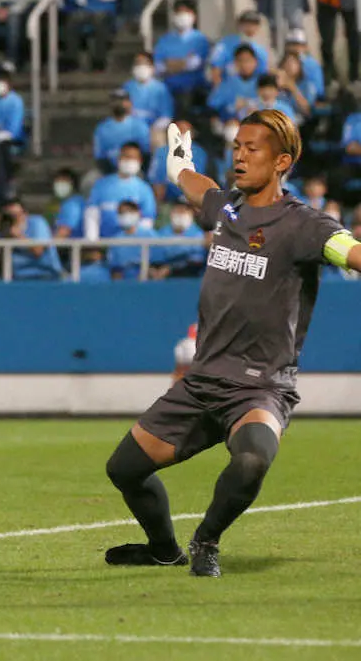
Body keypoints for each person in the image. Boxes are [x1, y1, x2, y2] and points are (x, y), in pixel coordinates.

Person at [104, 113, 361, 577]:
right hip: (201, 382)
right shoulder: (228, 209)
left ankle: (206, 540)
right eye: (237, 146)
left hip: (259, 387)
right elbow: (194, 185)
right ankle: (164, 550)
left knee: (252, 459)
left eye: (252, 148)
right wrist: (179, 161)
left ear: (282, 161)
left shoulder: (303, 225)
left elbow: (350, 251)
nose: (239, 156)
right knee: (123, 469)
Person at [208, 10, 268, 86]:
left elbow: (262, 77)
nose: (250, 28)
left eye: (254, 24)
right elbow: (215, 73)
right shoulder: (224, 44)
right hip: (227, 88)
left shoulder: (261, 51)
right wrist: (222, 91)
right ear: (239, 25)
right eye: (246, 24)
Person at [93, 90, 149, 173]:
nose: (119, 104)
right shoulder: (102, 128)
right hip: (110, 172)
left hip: (135, 171)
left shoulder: (140, 126)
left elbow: (146, 155)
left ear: (130, 103)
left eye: (123, 100)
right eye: (116, 100)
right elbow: (100, 158)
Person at [123, 51, 174, 129]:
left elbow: (166, 116)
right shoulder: (127, 87)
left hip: (154, 131)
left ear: (152, 67)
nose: (141, 67)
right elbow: (122, 113)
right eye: (138, 64)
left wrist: (153, 130)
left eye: (145, 63)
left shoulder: (161, 89)